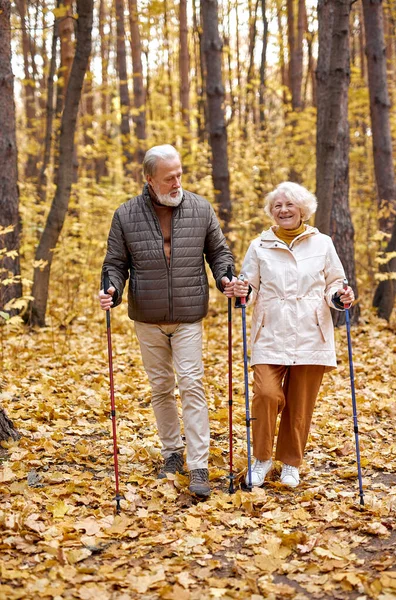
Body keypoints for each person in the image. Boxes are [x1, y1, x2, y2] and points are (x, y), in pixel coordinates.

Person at [99, 144, 235, 498]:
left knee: (191, 384)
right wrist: (111, 289)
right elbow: (115, 263)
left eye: (179, 175)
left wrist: (225, 279)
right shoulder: (126, 215)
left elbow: (219, 253)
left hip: (189, 316)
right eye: (169, 177)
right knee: (161, 388)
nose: (177, 182)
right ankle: (172, 454)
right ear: (149, 179)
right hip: (148, 317)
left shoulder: (200, 209)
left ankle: (200, 465)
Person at [233, 181, 355, 489]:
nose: (283, 210)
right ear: (271, 212)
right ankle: (261, 459)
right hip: (270, 331)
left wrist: (339, 296)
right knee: (266, 395)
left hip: (311, 332)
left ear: (302, 209)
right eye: (277, 206)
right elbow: (249, 284)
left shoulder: (322, 243)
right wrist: (241, 290)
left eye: (289, 205)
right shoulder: (259, 245)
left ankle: (290, 464)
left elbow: (334, 283)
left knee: (301, 405)